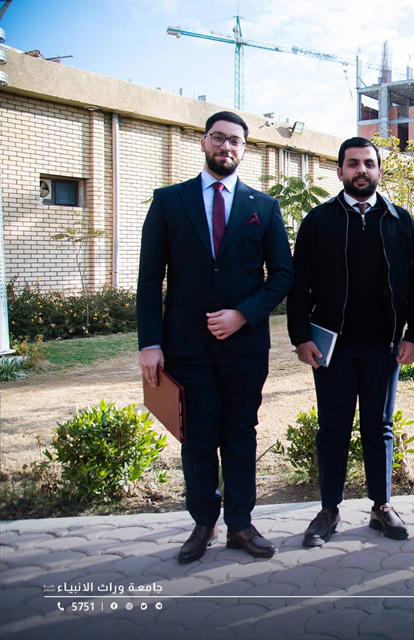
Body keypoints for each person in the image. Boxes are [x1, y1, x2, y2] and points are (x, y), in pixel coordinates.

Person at [137, 111, 294, 563]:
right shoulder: (169, 201)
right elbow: (149, 278)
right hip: (186, 346)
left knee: (241, 433)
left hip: (245, 347)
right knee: (199, 437)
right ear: (204, 142)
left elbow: (282, 275)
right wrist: (150, 343)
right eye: (218, 138)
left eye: (235, 141)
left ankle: (241, 524)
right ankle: (203, 522)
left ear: (245, 150)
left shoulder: (264, 207)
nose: (226, 146)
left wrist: (243, 314)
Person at [287, 137, 414, 546]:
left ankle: (381, 506)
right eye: (353, 164)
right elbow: (299, 287)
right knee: (332, 427)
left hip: (384, 346)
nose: (361, 170)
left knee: (378, 427)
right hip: (332, 348)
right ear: (340, 172)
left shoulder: (400, 221)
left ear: (379, 171)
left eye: (368, 163)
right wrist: (301, 338)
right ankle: (328, 510)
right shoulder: (318, 222)